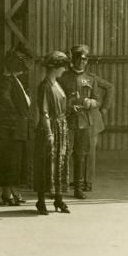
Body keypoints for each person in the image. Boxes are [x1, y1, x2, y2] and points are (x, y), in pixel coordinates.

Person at [58, 45, 113, 199]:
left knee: (84, 153)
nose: (81, 62)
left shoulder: (90, 78)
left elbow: (96, 99)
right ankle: (62, 183)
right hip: (69, 121)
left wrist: (93, 103)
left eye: (84, 59)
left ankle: (82, 183)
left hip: (86, 121)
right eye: (78, 59)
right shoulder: (63, 77)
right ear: (73, 60)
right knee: (65, 152)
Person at [0, 47, 33, 206]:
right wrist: (15, 114)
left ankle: (12, 192)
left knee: (15, 162)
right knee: (10, 162)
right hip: (11, 129)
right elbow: (4, 97)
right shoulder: (7, 80)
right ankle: (7, 193)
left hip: (17, 129)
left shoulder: (14, 80)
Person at [33, 52, 73, 215]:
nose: (65, 69)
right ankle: (41, 201)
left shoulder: (57, 84)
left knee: (59, 164)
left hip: (61, 128)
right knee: (46, 164)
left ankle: (58, 199)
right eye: (63, 66)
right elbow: (44, 112)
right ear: (54, 67)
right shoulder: (45, 86)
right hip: (50, 129)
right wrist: (49, 133)